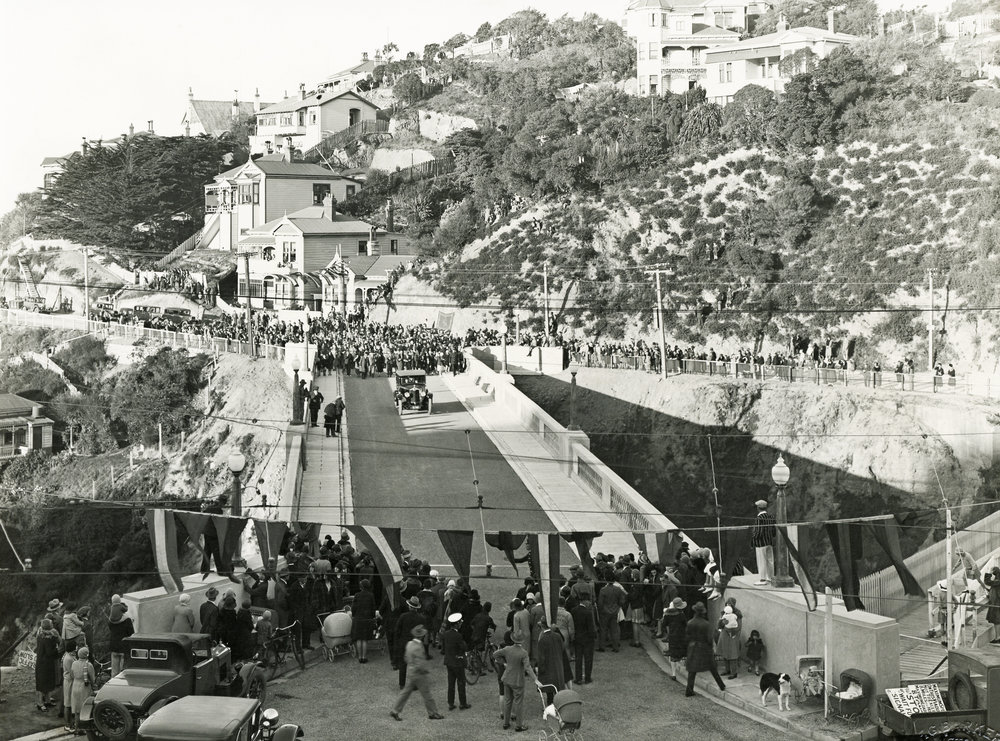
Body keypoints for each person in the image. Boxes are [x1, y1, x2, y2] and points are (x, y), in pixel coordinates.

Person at [389, 625, 444, 721]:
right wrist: (425, 670)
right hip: (419, 674)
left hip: (411, 672)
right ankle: (433, 713)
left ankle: (395, 710)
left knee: (405, 693)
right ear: (421, 636)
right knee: (427, 695)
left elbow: (406, 658)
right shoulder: (419, 647)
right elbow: (420, 663)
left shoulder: (409, 644)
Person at [493, 632, 538, 732]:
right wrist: (535, 679)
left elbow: (495, 654)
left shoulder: (507, 649)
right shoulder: (523, 653)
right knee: (518, 703)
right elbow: (527, 667)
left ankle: (506, 723)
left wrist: (504, 663)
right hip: (517, 681)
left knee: (508, 701)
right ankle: (519, 725)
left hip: (507, 678)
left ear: (513, 639)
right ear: (522, 641)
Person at [685, 602, 726, 697]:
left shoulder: (690, 623)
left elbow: (687, 637)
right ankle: (721, 685)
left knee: (692, 670)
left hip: (693, 647)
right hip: (704, 648)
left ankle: (689, 690)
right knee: (712, 668)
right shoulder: (706, 624)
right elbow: (709, 639)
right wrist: (711, 648)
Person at [442, 613, 471, 711]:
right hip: (457, 662)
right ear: (456, 624)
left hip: (449, 661)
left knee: (451, 683)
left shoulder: (446, 634)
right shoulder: (458, 635)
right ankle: (463, 703)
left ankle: (451, 703)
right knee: (461, 682)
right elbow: (463, 647)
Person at [35, 619, 60, 711]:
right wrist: (57, 649)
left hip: (41, 663)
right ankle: (40, 703)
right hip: (46, 663)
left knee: (44, 683)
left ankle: (46, 701)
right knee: (43, 684)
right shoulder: (48, 639)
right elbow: (50, 652)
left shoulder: (40, 635)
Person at [70, 646, 96, 732]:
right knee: (84, 708)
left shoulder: (74, 663)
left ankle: (76, 728)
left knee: (76, 709)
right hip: (84, 687)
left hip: (75, 685)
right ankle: (82, 729)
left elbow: (72, 675)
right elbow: (92, 679)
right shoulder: (89, 665)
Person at [570, 598, 597, 684]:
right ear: (585, 601)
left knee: (578, 659)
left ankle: (578, 678)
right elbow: (591, 627)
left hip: (577, 638)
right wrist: (593, 636)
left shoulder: (573, 611)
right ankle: (587, 678)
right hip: (587, 639)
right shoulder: (588, 612)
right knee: (588, 659)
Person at [661, 597, 688, 682]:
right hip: (681, 636)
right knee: (683, 653)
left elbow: (663, 624)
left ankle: (673, 674)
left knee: (673, 656)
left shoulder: (667, 615)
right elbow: (686, 624)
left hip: (672, 637)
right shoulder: (681, 614)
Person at [596, 578, 627, 652]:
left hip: (604, 612)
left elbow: (600, 603)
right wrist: (617, 607)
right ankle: (615, 647)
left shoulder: (603, 590)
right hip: (614, 611)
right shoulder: (617, 589)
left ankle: (602, 647)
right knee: (614, 630)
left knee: (603, 629)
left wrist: (600, 610)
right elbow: (622, 600)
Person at [351, 579, 377, 663]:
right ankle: (364, 657)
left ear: (361, 587)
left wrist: (354, 615)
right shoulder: (371, 595)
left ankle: (359, 657)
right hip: (367, 619)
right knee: (365, 639)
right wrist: (372, 617)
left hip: (358, 619)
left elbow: (353, 608)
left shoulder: (357, 595)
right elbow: (373, 608)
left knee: (359, 639)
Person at [108, 596, 134, 677]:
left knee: (114, 672)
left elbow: (112, 630)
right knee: (123, 673)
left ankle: (113, 687)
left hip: (114, 647)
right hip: (124, 647)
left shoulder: (110, 620)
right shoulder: (127, 620)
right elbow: (131, 633)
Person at [751, 499, 775, 586]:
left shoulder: (759, 518)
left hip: (761, 543)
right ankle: (771, 578)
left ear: (758, 508)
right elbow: (773, 531)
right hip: (769, 542)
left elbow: (757, 532)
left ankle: (762, 579)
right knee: (770, 560)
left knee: (761, 561)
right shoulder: (771, 517)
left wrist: (753, 541)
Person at [716, 604, 741, 679]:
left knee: (733, 655)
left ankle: (734, 672)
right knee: (725, 654)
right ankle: (727, 670)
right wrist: (721, 622)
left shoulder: (737, 617)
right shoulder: (724, 616)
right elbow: (719, 625)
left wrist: (731, 630)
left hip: (732, 638)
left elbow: (738, 627)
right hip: (725, 637)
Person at [985, 567, 1000, 644]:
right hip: (996, 602)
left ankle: (998, 638)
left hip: (997, 603)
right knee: (997, 621)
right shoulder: (997, 581)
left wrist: (989, 573)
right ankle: (997, 637)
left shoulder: (998, 581)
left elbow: (987, 582)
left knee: (997, 620)